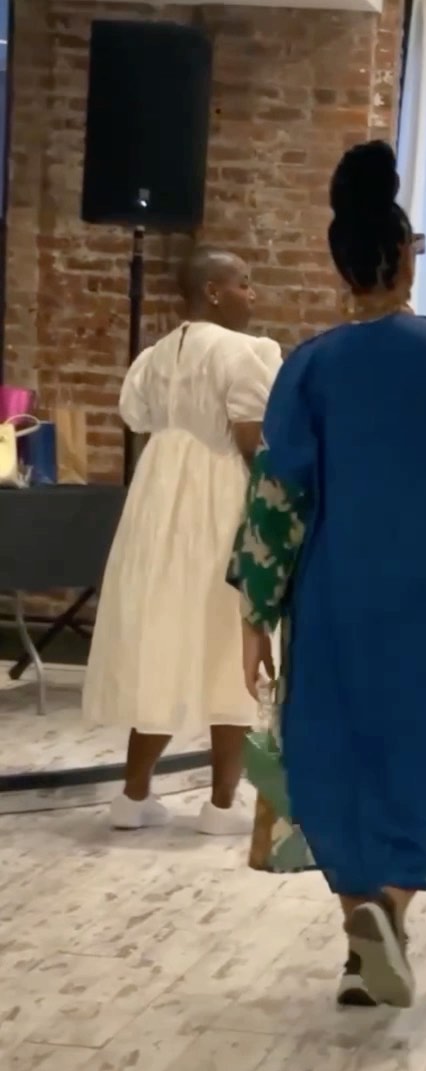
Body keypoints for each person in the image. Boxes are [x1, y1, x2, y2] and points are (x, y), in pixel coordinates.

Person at [228, 140, 426, 1008]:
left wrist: (255, 612)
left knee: (340, 752)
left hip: (341, 592)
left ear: (340, 267)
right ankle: (389, 917)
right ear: (408, 258)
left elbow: (278, 500)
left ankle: (364, 927)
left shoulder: (311, 365)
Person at [83, 247, 282, 833]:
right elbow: (249, 442)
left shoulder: (152, 358)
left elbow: (139, 419)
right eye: (244, 283)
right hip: (217, 502)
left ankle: (133, 795)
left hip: (157, 506)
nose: (253, 294)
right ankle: (220, 804)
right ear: (213, 291)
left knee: (161, 636)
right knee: (226, 638)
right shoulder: (244, 353)